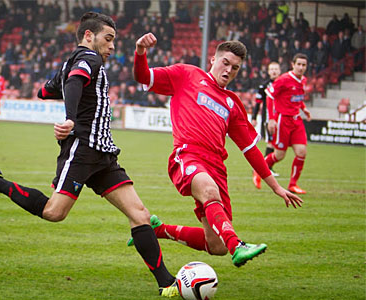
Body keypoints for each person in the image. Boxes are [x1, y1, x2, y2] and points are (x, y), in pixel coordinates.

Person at [0, 13, 179, 298]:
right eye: (108, 39)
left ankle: (166, 283)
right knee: (53, 212)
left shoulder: (72, 62)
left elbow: (44, 91)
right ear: (88, 36)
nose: (111, 46)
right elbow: (73, 82)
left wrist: (62, 87)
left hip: (104, 154)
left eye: (114, 41)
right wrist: (71, 118)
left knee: (140, 214)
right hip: (83, 149)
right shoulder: (89, 58)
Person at [128, 33, 302, 267]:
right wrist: (140, 51)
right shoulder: (187, 75)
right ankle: (238, 246)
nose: (229, 70)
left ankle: (159, 229)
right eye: (226, 63)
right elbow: (143, 77)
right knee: (209, 192)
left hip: (217, 168)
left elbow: (250, 150)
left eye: (236, 68)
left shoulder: (232, 104)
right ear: (213, 60)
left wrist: (276, 187)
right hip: (188, 156)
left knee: (216, 245)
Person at [253, 53, 312, 194]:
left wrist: (304, 109)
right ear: (293, 64)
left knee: (301, 152)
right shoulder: (283, 79)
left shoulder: (303, 80)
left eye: (304, 65)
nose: (301, 67)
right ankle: (258, 170)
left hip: (296, 120)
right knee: (279, 155)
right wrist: (272, 118)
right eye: (299, 64)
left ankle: (293, 184)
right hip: (282, 120)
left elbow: (297, 97)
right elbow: (270, 96)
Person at [251, 61, 281, 180]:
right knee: (271, 142)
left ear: (279, 71)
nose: (274, 71)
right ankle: (264, 168)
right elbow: (258, 103)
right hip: (269, 118)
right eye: (271, 69)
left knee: (276, 144)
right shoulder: (263, 86)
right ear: (268, 72)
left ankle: (267, 167)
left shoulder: (283, 84)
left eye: (276, 69)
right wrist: (254, 117)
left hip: (281, 117)